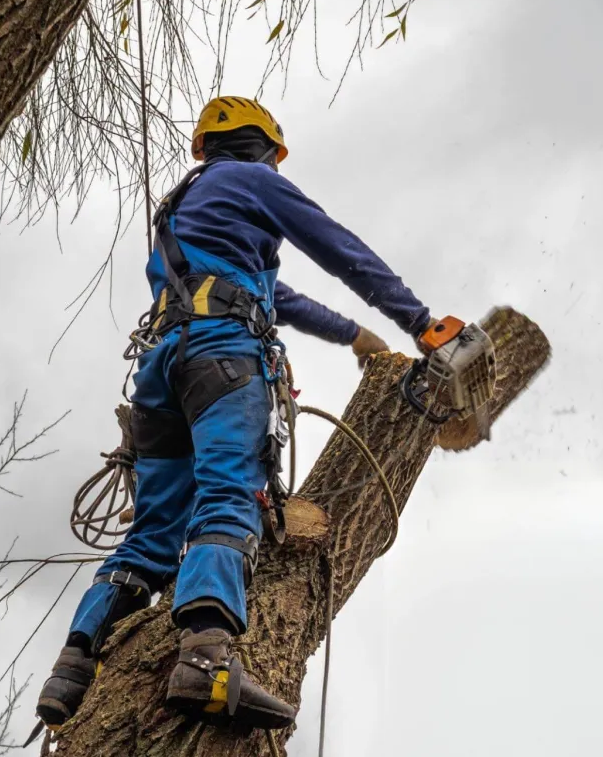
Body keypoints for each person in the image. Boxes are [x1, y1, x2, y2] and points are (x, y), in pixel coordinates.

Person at [35, 96, 435, 732]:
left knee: (155, 529)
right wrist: (419, 322)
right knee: (229, 494)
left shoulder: (189, 210)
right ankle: (206, 659)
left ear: (207, 148)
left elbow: (279, 297)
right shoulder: (253, 182)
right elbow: (336, 245)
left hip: (162, 370)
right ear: (268, 150)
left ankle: (72, 667)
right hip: (224, 358)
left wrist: (354, 333)